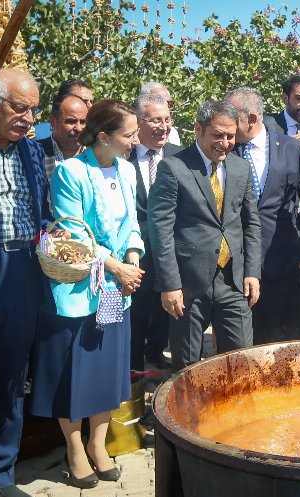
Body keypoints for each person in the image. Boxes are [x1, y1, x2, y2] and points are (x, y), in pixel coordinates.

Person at [30, 99, 145, 490]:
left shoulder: (127, 170)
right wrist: (116, 266)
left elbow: (132, 223)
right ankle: (75, 448)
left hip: (115, 292)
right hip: (80, 291)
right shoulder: (70, 173)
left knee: (106, 369)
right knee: (73, 373)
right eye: (128, 135)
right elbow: (75, 236)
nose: (134, 141)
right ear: (104, 136)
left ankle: (99, 444)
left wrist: (132, 257)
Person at [0, 68, 51, 497]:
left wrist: (49, 235)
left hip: (23, 276)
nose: (28, 118)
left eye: (33, 110)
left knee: (10, 380)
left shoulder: (29, 152)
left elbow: (38, 211)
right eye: (19, 107)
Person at [147, 100, 261, 371]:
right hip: (188, 285)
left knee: (241, 361)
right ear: (199, 130)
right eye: (217, 135)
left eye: (230, 136)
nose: (225, 143)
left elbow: (250, 224)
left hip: (233, 281)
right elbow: (160, 229)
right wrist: (170, 284)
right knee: (187, 367)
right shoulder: (174, 168)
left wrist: (252, 271)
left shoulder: (240, 168)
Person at [224, 87, 300, 345]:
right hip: (235, 265)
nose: (225, 125)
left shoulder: (291, 149)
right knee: (241, 346)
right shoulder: (223, 151)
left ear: (252, 119)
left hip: (284, 263)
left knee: (285, 346)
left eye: (232, 118)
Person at [128, 93, 182, 371]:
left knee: (167, 305)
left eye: (167, 119)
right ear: (137, 122)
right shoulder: (122, 157)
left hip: (172, 247)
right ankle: (132, 365)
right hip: (134, 249)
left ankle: (157, 350)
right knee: (136, 309)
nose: (164, 127)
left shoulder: (179, 157)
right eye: (155, 120)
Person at [39, 93, 88, 184]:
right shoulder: (35, 153)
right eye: (71, 121)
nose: (78, 128)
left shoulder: (95, 155)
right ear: (53, 121)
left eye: (83, 122)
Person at [139, 81, 181, 146]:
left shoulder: (173, 134)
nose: (163, 106)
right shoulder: (127, 139)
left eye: (168, 103)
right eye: (157, 101)